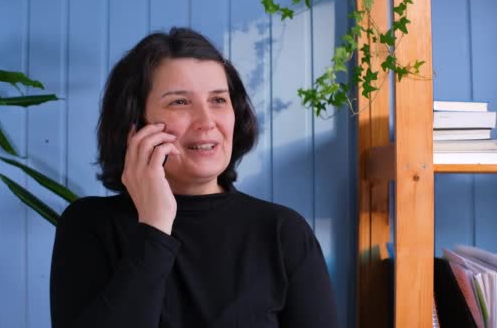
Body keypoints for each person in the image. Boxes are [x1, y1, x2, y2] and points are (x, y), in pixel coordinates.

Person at [50, 27, 337, 328]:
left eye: (218, 100)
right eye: (180, 102)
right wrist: (155, 227)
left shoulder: (283, 233)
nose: (206, 121)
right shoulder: (88, 225)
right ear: (134, 123)